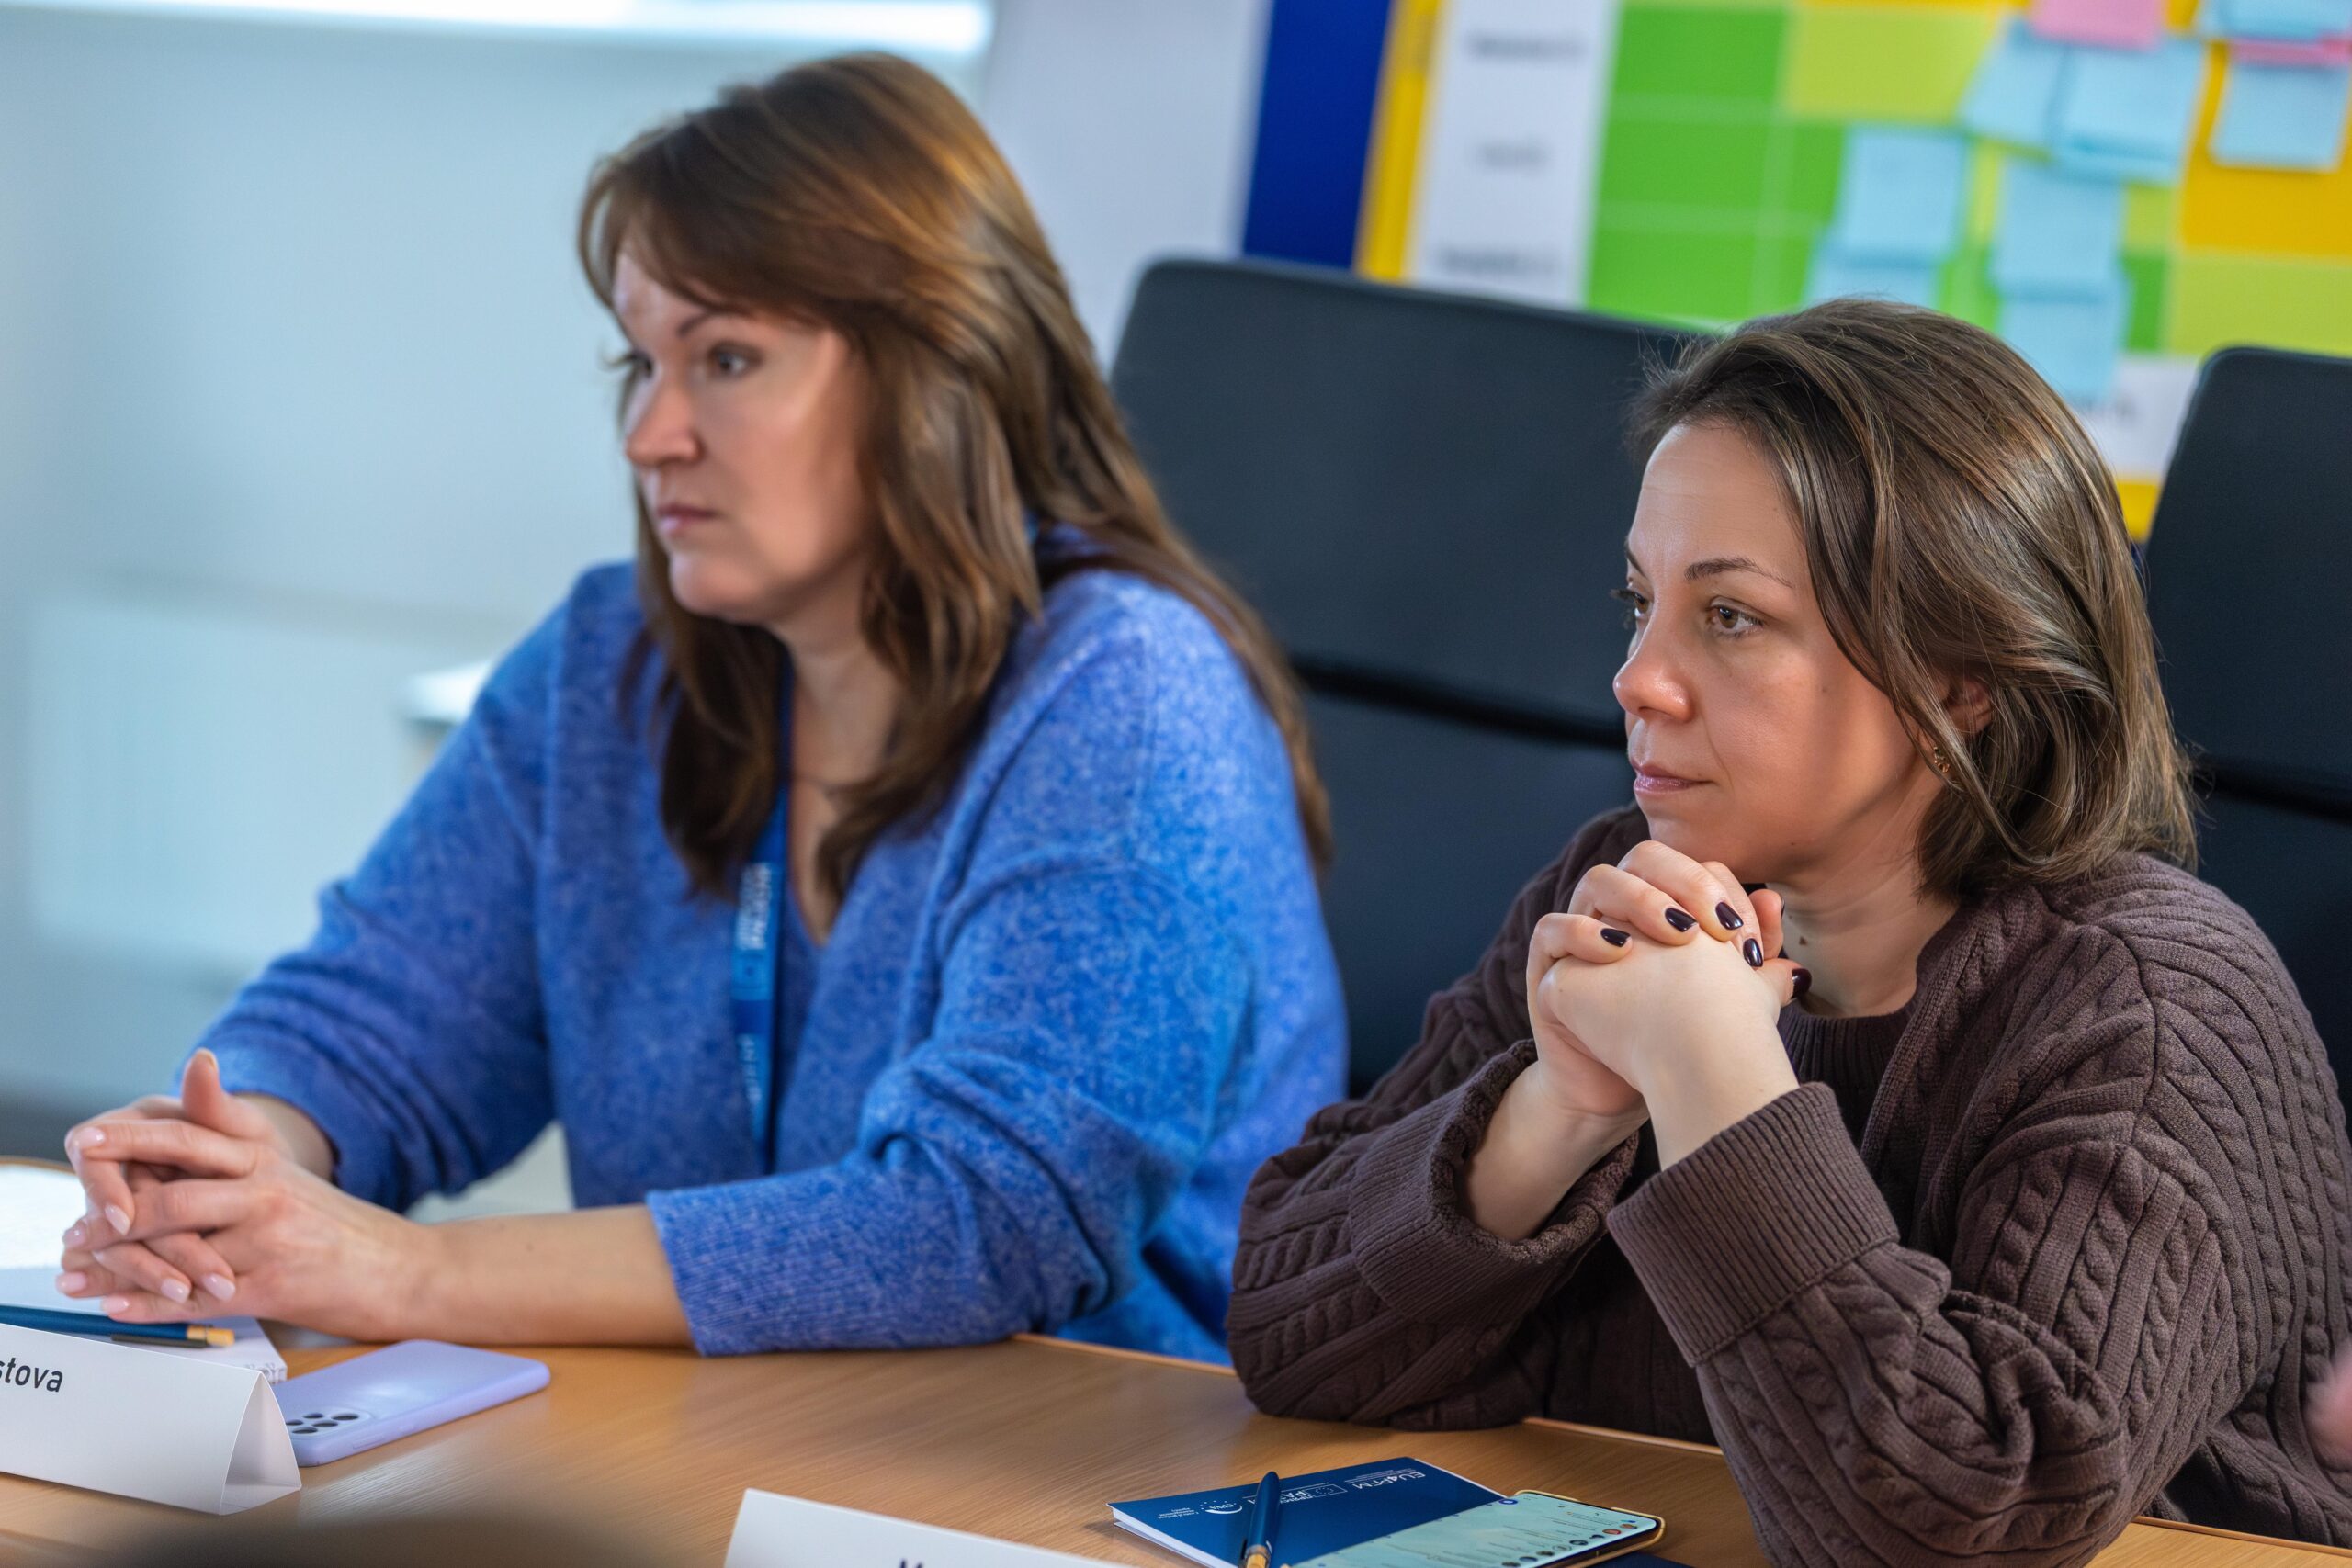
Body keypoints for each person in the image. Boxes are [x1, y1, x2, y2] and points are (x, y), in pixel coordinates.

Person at [54, 52, 1343, 1363]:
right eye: (642, 362)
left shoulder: (1132, 697)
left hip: (1094, 1461)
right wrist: (236, 1163)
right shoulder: (612, 664)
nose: (649, 434)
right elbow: (377, 1018)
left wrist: (407, 1274)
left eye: (725, 358)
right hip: (734, 1438)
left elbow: (987, 1221)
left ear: (937, 368)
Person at [1228, 300, 2352, 1558]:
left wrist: (1712, 1078)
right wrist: (1561, 1108)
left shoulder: (2152, 1012)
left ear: (1961, 676)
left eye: (1730, 617)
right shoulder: (1626, 890)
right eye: (1640, 602)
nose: (1636, 679)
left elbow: (1954, 1532)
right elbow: (1289, 1339)